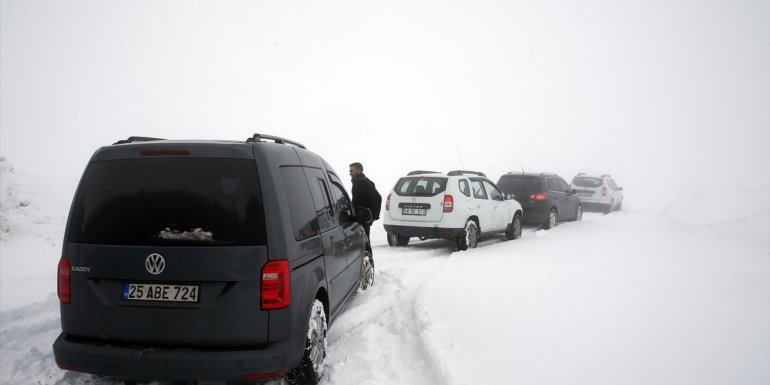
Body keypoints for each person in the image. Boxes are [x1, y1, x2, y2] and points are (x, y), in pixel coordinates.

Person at [349, 162, 382, 253]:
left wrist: (373, 217)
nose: (350, 173)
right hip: (362, 217)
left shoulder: (362, 182)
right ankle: (368, 263)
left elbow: (377, 198)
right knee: (364, 242)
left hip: (363, 218)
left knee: (364, 244)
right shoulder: (362, 182)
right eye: (349, 171)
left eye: (352, 170)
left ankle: (368, 263)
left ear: (359, 170)